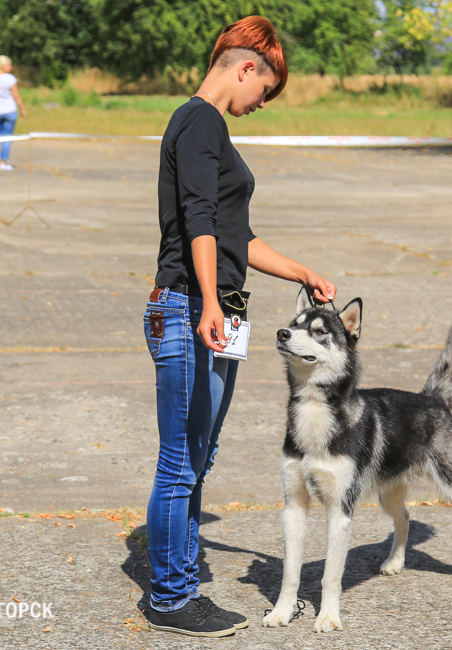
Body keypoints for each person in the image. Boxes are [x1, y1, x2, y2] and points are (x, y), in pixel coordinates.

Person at [142, 15, 336, 638]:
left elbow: (235, 237)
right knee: (180, 460)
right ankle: (170, 597)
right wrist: (207, 303)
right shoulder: (200, 121)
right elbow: (199, 222)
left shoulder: (209, 129)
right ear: (245, 65)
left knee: (199, 456)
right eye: (265, 90)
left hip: (212, 307)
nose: (262, 104)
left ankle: (183, 570)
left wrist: (302, 271)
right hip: (188, 308)